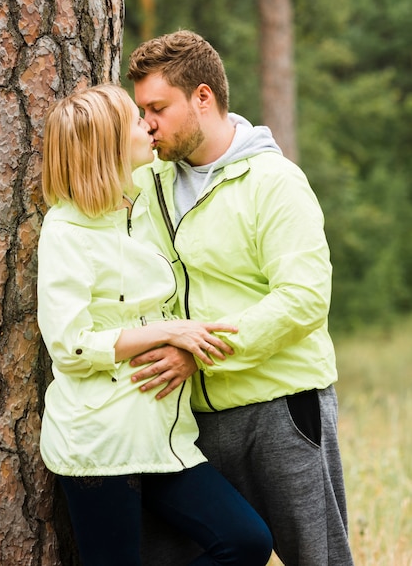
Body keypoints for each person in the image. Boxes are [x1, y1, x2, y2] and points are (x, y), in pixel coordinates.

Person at [127, 30, 355, 566]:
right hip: (186, 420)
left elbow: (303, 298)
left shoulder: (275, 182)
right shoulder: (147, 183)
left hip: (281, 410)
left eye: (157, 108)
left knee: (317, 559)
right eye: (141, 112)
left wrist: (196, 350)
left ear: (202, 97)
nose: (146, 125)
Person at [37, 84, 273, 566]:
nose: (147, 125)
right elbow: (70, 346)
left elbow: (210, 141)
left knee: (246, 540)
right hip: (99, 444)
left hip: (165, 434)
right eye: (134, 121)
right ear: (106, 146)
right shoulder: (65, 230)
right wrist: (170, 332)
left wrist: (260, 149)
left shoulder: (142, 201)